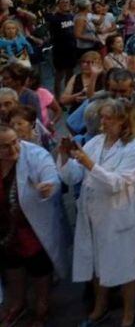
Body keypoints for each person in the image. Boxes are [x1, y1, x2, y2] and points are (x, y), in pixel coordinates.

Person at [59, 99, 135, 327]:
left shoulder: (134, 148)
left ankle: (129, 314)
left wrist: (89, 164)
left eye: (108, 117)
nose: (102, 122)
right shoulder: (96, 142)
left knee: (126, 264)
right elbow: (73, 177)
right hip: (91, 213)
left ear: (123, 120)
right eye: (102, 117)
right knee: (97, 263)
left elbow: (117, 183)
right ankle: (100, 307)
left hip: (117, 215)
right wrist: (66, 156)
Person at [0, 126, 71, 327]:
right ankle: (18, 304)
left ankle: (42, 308)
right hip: (5, 229)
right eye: (5, 146)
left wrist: (48, 187)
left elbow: (51, 177)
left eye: (15, 142)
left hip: (32, 227)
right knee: (12, 267)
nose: (13, 149)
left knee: (39, 268)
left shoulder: (35, 155)